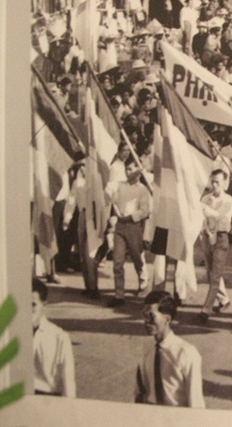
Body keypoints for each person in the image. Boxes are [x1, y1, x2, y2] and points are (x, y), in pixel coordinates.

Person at [135, 291, 205, 407]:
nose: (146, 321)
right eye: (144, 315)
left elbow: (196, 402)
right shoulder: (146, 352)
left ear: (167, 319)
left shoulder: (186, 353)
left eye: (151, 316)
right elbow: (139, 394)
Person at [107, 157, 151, 307]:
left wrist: (131, 217)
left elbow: (145, 211)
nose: (129, 172)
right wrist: (111, 198)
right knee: (118, 261)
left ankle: (144, 282)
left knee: (137, 257)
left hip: (134, 227)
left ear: (139, 171)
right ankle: (119, 294)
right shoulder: (119, 186)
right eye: (127, 169)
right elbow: (110, 195)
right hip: (120, 227)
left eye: (132, 169)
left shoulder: (143, 190)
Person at [197, 169, 232, 324]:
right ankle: (224, 299)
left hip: (221, 238)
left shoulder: (229, 200)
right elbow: (202, 218)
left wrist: (204, 209)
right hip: (207, 236)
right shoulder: (206, 198)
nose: (214, 185)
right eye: (212, 181)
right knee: (210, 272)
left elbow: (222, 219)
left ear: (225, 183)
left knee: (215, 275)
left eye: (217, 182)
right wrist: (206, 231)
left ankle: (206, 310)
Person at [62, 160, 100, 299]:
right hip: (82, 216)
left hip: (93, 216)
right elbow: (71, 201)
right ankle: (88, 286)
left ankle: (94, 287)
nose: (83, 168)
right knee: (82, 254)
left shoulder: (95, 183)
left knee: (90, 253)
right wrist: (67, 218)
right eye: (81, 166)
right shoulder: (77, 183)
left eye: (86, 165)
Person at [32, 279, 76, 397]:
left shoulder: (59, 337)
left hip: (48, 400)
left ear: (44, 305)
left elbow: (68, 381)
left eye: (33, 305)